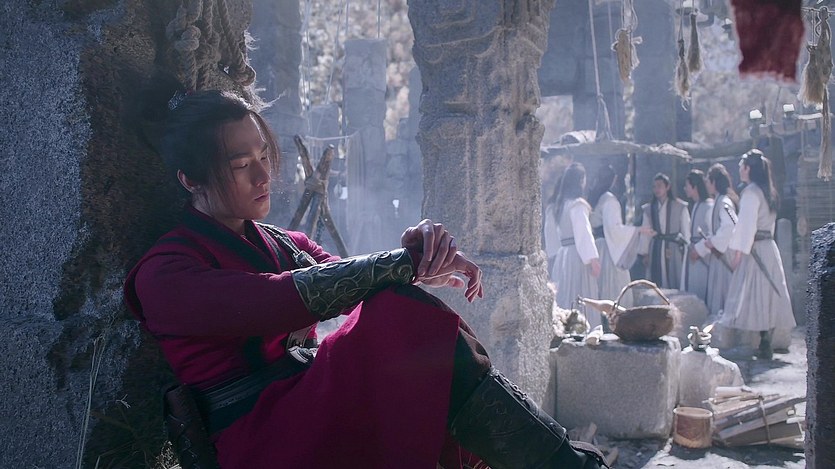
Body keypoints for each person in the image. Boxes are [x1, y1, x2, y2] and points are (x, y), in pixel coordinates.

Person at [123, 83, 606, 468]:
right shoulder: (165, 273)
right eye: (241, 165)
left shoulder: (283, 243)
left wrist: (419, 256)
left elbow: (350, 281)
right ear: (190, 179)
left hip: (312, 404)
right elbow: (277, 299)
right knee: (399, 314)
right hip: (261, 436)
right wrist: (402, 264)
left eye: (264, 156)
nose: (263, 175)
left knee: (400, 314)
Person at [720, 150, 795, 359]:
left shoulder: (751, 193)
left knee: (758, 292)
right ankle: (764, 339)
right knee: (766, 292)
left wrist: (738, 253)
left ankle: (762, 340)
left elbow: (746, 227)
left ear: (748, 169)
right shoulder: (767, 191)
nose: (740, 170)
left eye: (742, 167)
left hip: (756, 249)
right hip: (768, 247)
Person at [588, 165, 654, 309]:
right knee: (614, 286)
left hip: (599, 245)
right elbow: (614, 229)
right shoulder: (609, 200)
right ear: (614, 179)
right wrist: (638, 230)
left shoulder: (596, 197)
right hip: (609, 248)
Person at [550, 163, 602, 327]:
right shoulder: (577, 205)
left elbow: (553, 235)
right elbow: (583, 232)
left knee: (566, 293)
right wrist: (592, 259)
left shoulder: (560, 205)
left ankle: (567, 327)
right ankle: (584, 329)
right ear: (580, 180)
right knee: (580, 292)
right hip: (577, 256)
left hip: (564, 254)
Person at [693, 164, 738, 318]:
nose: (706, 184)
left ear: (714, 182)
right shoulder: (719, 201)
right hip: (718, 254)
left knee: (725, 290)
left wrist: (714, 242)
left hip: (724, 254)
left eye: (708, 181)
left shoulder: (724, 202)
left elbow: (730, 226)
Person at [639, 173, 690, 290]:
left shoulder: (680, 206)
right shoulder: (649, 208)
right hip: (655, 247)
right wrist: (645, 253)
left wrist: (686, 250)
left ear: (667, 187)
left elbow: (686, 230)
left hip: (673, 247)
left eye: (659, 186)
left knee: (674, 278)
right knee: (656, 282)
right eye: (654, 186)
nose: (656, 189)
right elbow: (645, 231)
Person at [682, 169, 714, 303]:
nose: (685, 189)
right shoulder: (696, 205)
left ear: (694, 186)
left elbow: (712, 234)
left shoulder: (709, 206)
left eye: (687, 185)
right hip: (693, 253)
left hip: (703, 256)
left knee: (702, 289)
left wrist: (699, 250)